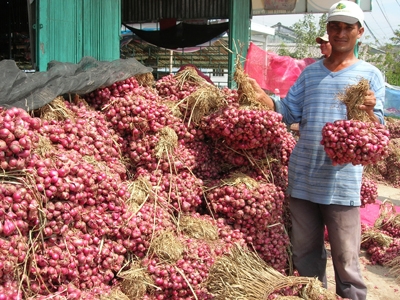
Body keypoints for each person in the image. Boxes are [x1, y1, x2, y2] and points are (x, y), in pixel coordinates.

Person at [246, 1, 385, 299]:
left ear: (360, 32)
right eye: (335, 26)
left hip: (342, 183)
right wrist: (263, 98)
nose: (341, 32)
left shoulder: (370, 74)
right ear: (328, 31)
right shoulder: (310, 74)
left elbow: (377, 130)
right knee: (306, 257)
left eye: (348, 27)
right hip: (304, 180)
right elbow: (287, 112)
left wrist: (370, 112)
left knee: (347, 261)